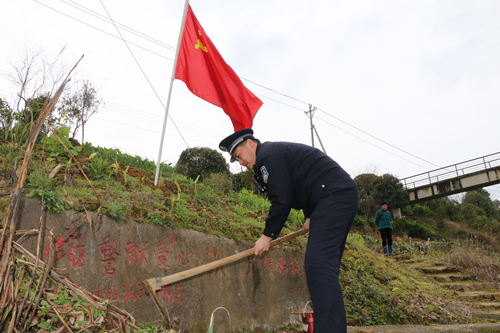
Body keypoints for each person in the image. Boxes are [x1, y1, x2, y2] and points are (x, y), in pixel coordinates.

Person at [219, 128, 359, 333]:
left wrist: (268, 235)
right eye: (236, 160)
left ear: (250, 143)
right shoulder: (270, 158)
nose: (240, 162)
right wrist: (310, 215)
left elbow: (282, 199)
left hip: (334, 194)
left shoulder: (267, 156)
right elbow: (302, 184)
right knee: (324, 268)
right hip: (332, 195)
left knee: (319, 266)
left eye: (238, 156)